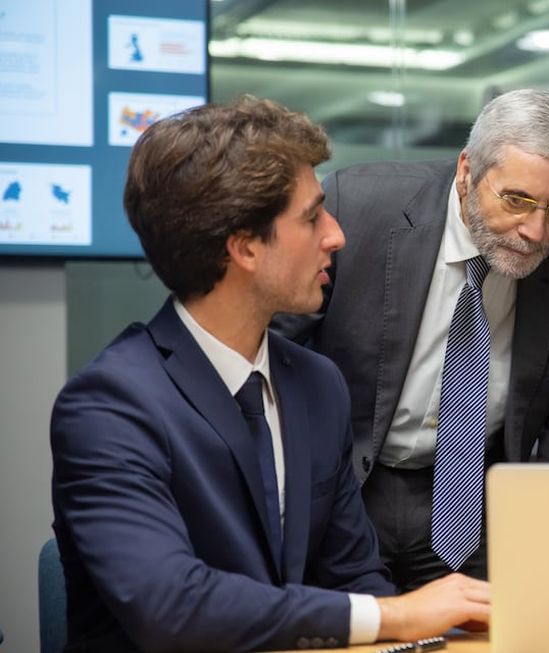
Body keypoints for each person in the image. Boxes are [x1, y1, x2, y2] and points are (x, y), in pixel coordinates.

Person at [50, 96, 489, 652]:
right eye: (312, 217)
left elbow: (354, 576)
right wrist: (396, 615)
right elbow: (172, 606)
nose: (336, 234)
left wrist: (411, 628)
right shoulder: (109, 406)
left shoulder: (316, 384)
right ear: (244, 248)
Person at [275, 88, 549, 591]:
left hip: (474, 502)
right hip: (347, 487)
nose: (536, 231)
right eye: (517, 200)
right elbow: (278, 351)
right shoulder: (359, 207)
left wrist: (548, 536)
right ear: (466, 171)